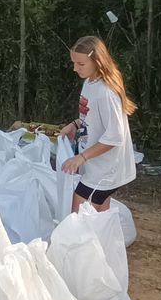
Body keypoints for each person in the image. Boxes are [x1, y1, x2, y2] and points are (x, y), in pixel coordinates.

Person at [59, 35, 138, 212]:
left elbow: (114, 137)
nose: (75, 68)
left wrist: (81, 158)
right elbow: (89, 116)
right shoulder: (89, 83)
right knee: (100, 217)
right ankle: (104, 240)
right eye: (74, 63)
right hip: (97, 166)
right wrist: (74, 124)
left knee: (78, 217)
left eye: (80, 64)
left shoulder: (106, 93)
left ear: (97, 61)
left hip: (106, 170)